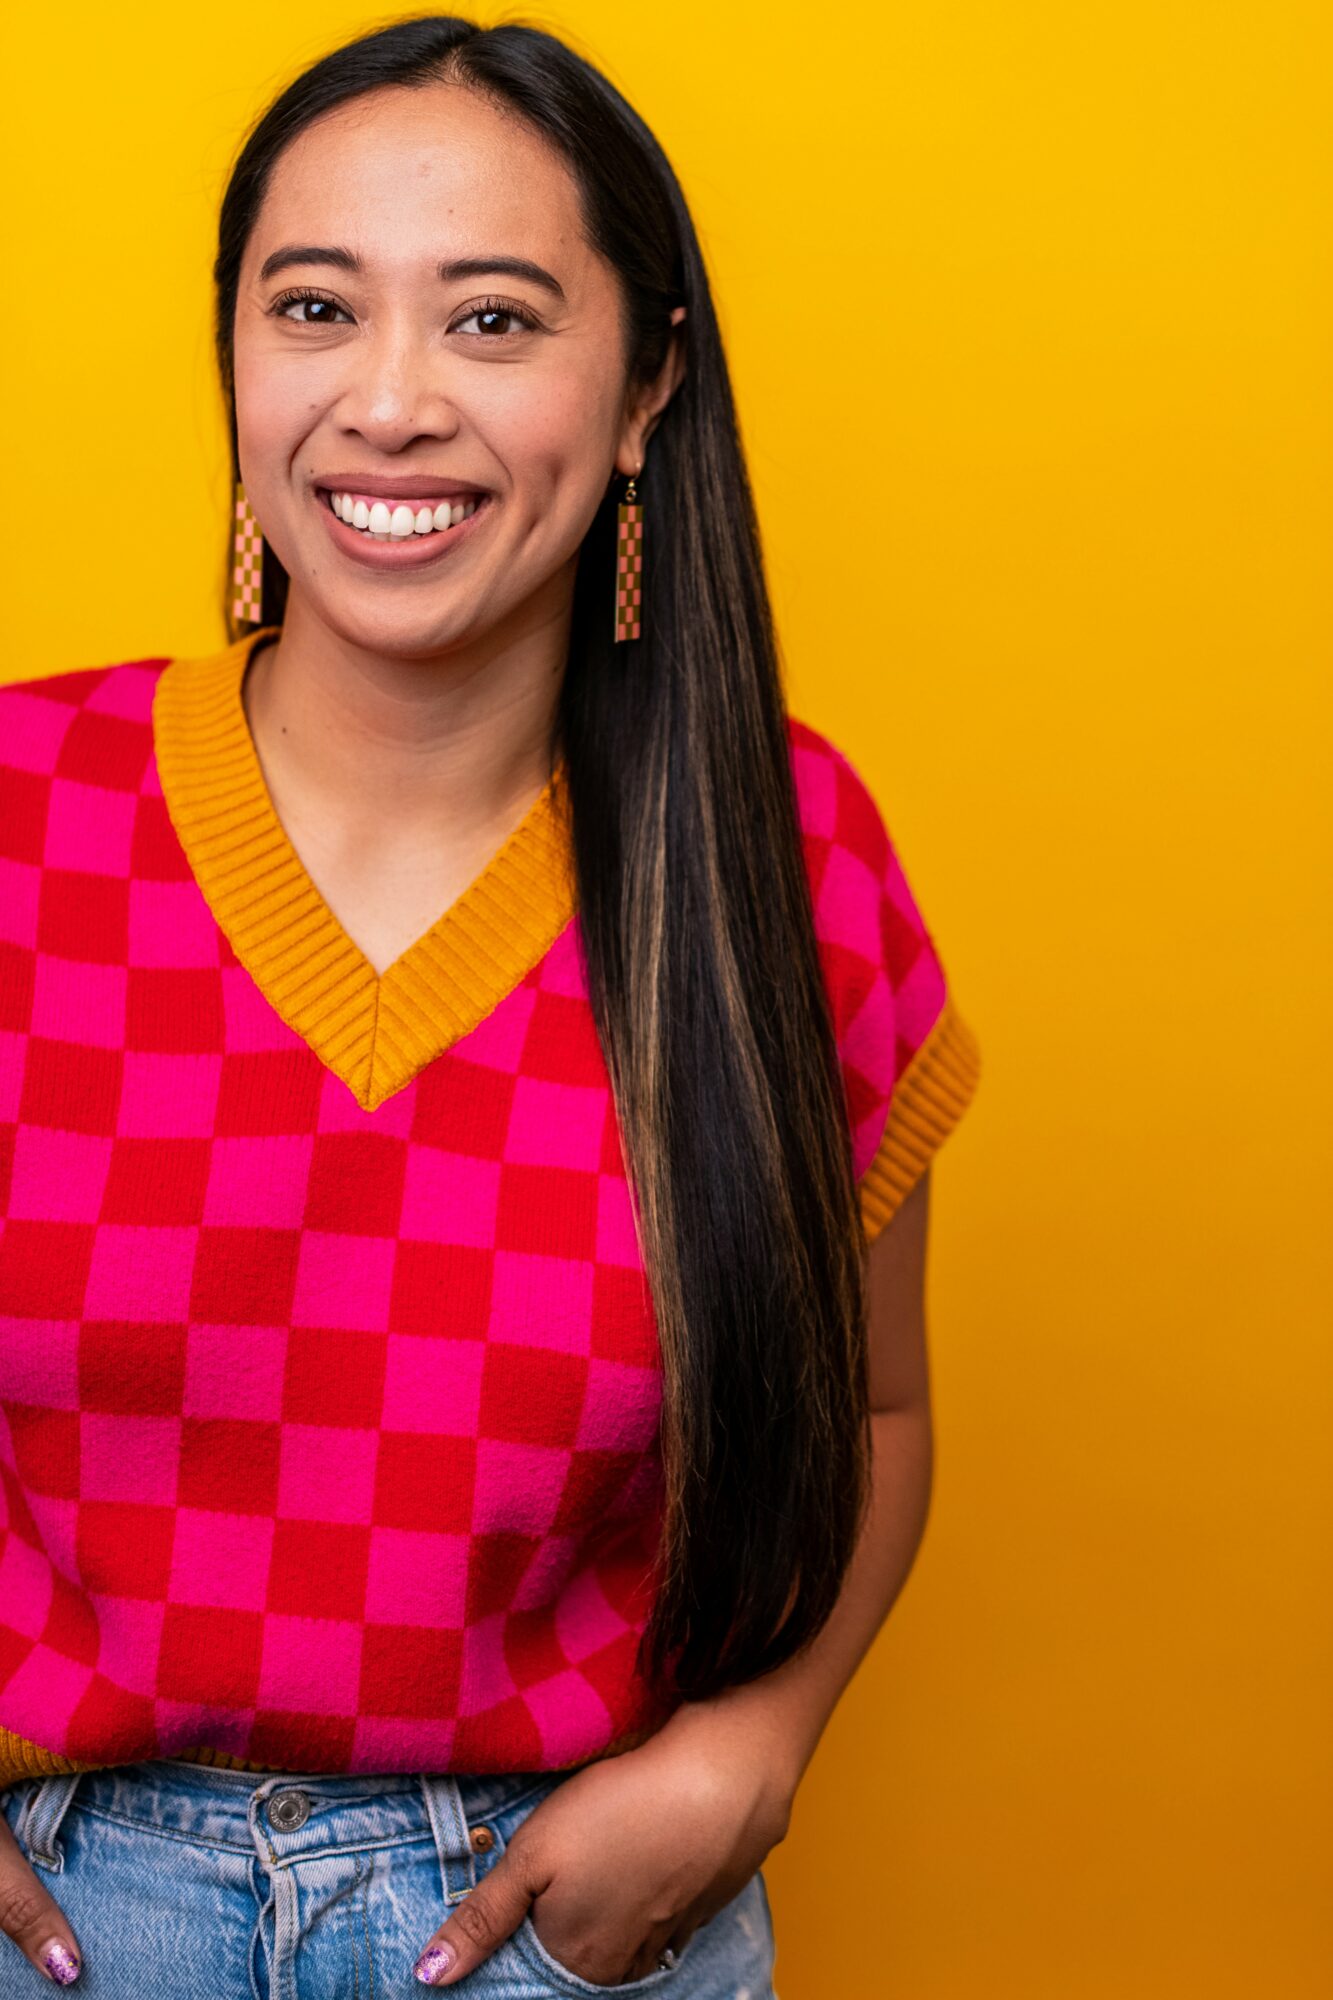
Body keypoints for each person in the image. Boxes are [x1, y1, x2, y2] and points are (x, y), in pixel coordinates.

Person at [0, 13, 982, 1995]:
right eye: (313, 307)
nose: (388, 400)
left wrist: (755, 1741)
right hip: (63, 1917)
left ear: (645, 389)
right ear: (233, 356)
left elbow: (872, 1405)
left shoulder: (782, 857)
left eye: (494, 321)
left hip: (566, 1921)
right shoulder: (28, 811)